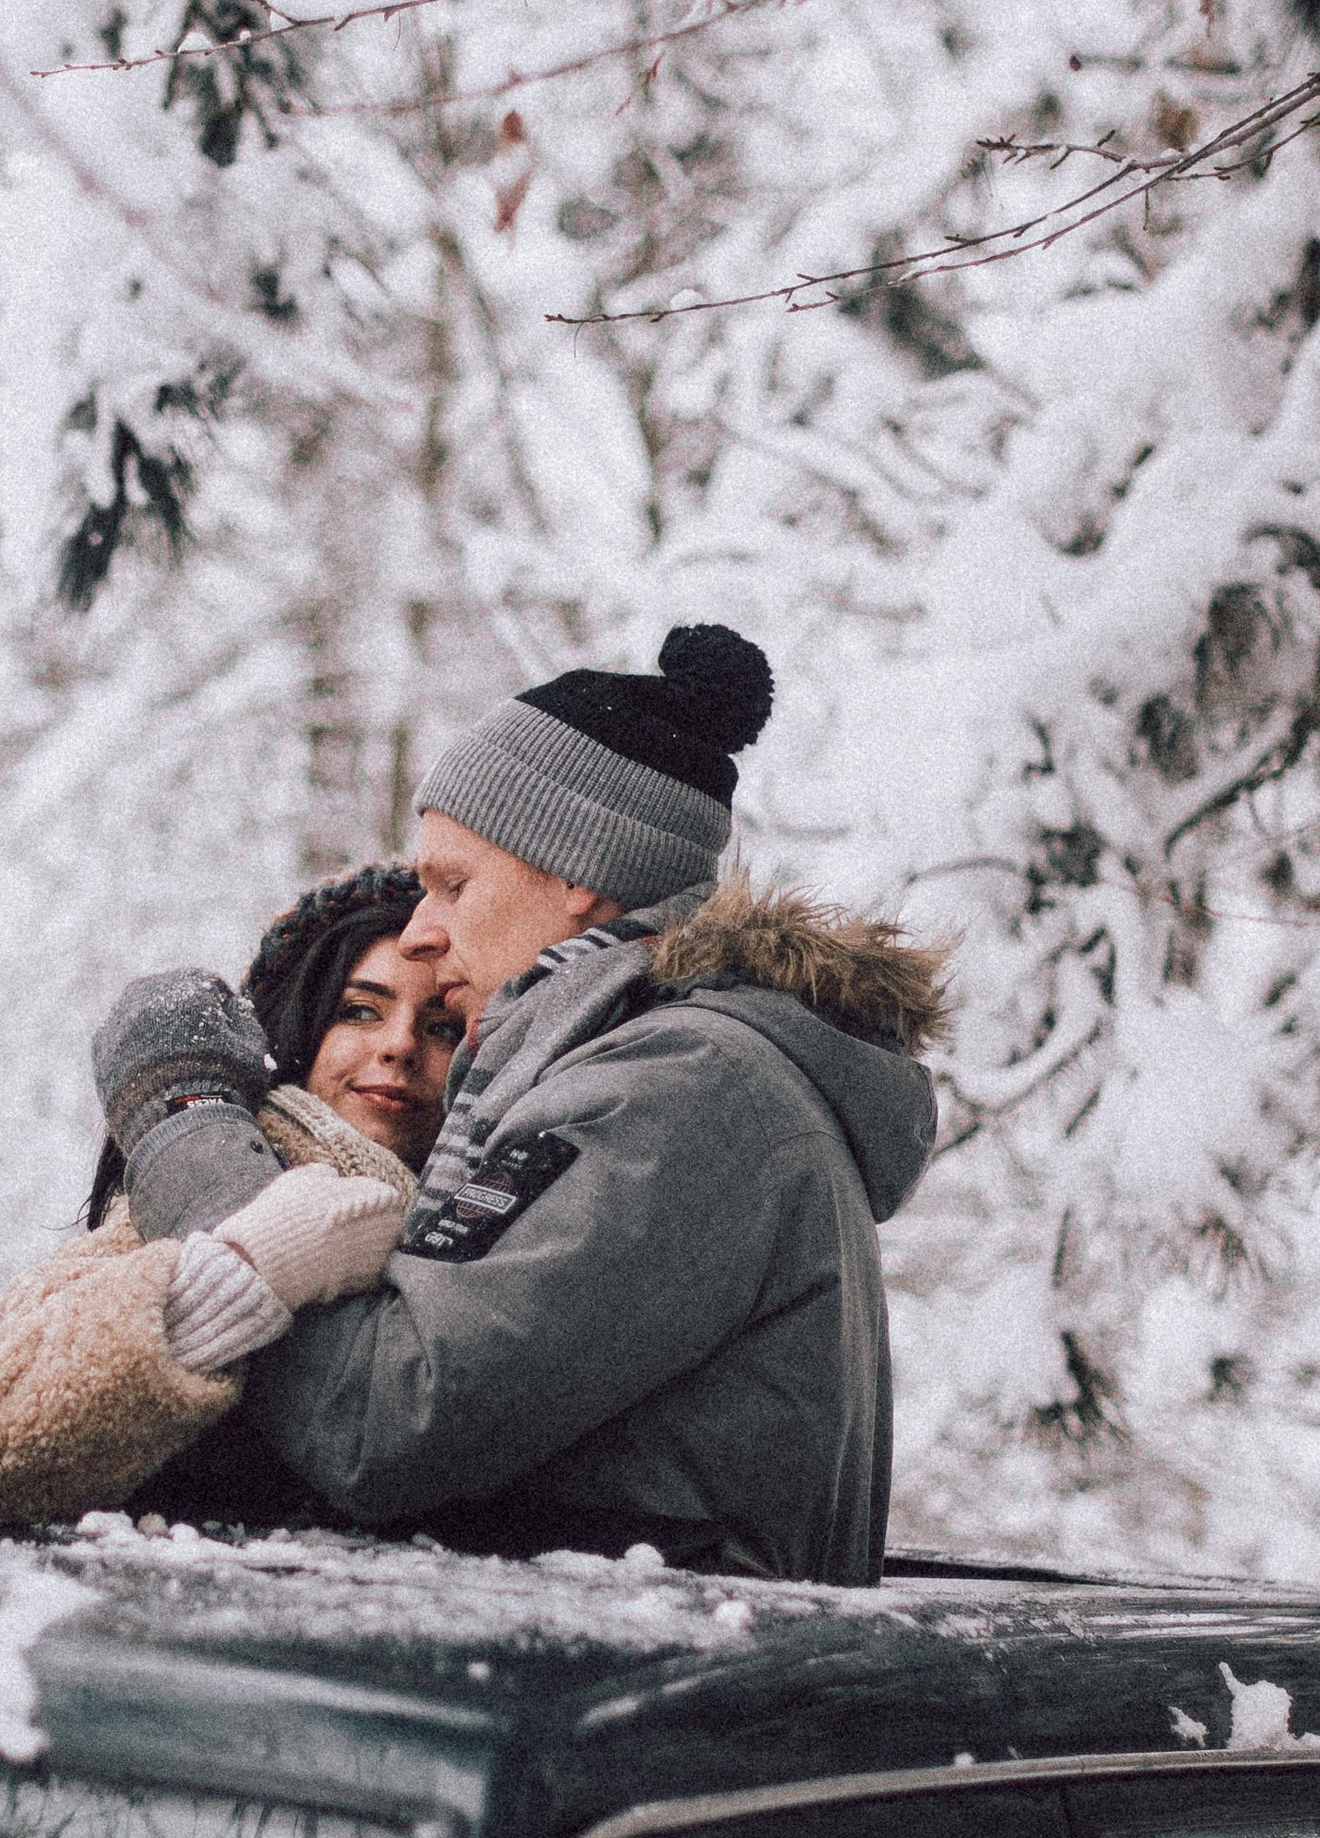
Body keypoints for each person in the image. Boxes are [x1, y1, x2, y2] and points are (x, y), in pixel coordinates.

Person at [86, 625, 948, 1582]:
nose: (419, 932)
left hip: (632, 1706)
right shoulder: (667, 1073)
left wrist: (186, 1123)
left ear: (576, 872)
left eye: (454, 883)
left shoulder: (673, 1095)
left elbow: (383, 1421)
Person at [0, 867, 459, 1528]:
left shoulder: (493, 1217)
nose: (398, 1045)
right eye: (360, 1010)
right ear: (302, 1029)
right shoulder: (207, 1184)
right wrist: (248, 1267)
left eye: (442, 1028)